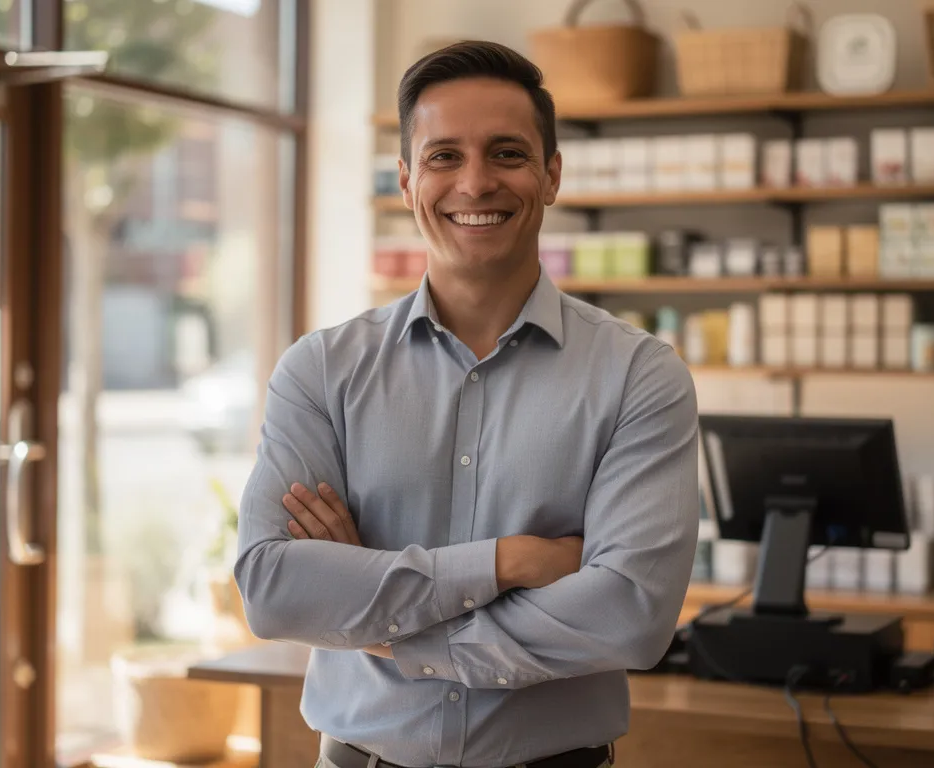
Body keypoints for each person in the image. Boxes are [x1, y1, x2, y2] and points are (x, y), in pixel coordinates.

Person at [234, 40, 700, 768]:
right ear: (406, 179)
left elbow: (631, 616)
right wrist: (511, 562)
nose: (475, 183)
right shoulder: (321, 371)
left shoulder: (638, 376)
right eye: (444, 155)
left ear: (551, 175)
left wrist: (379, 615)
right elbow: (273, 589)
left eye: (507, 153)